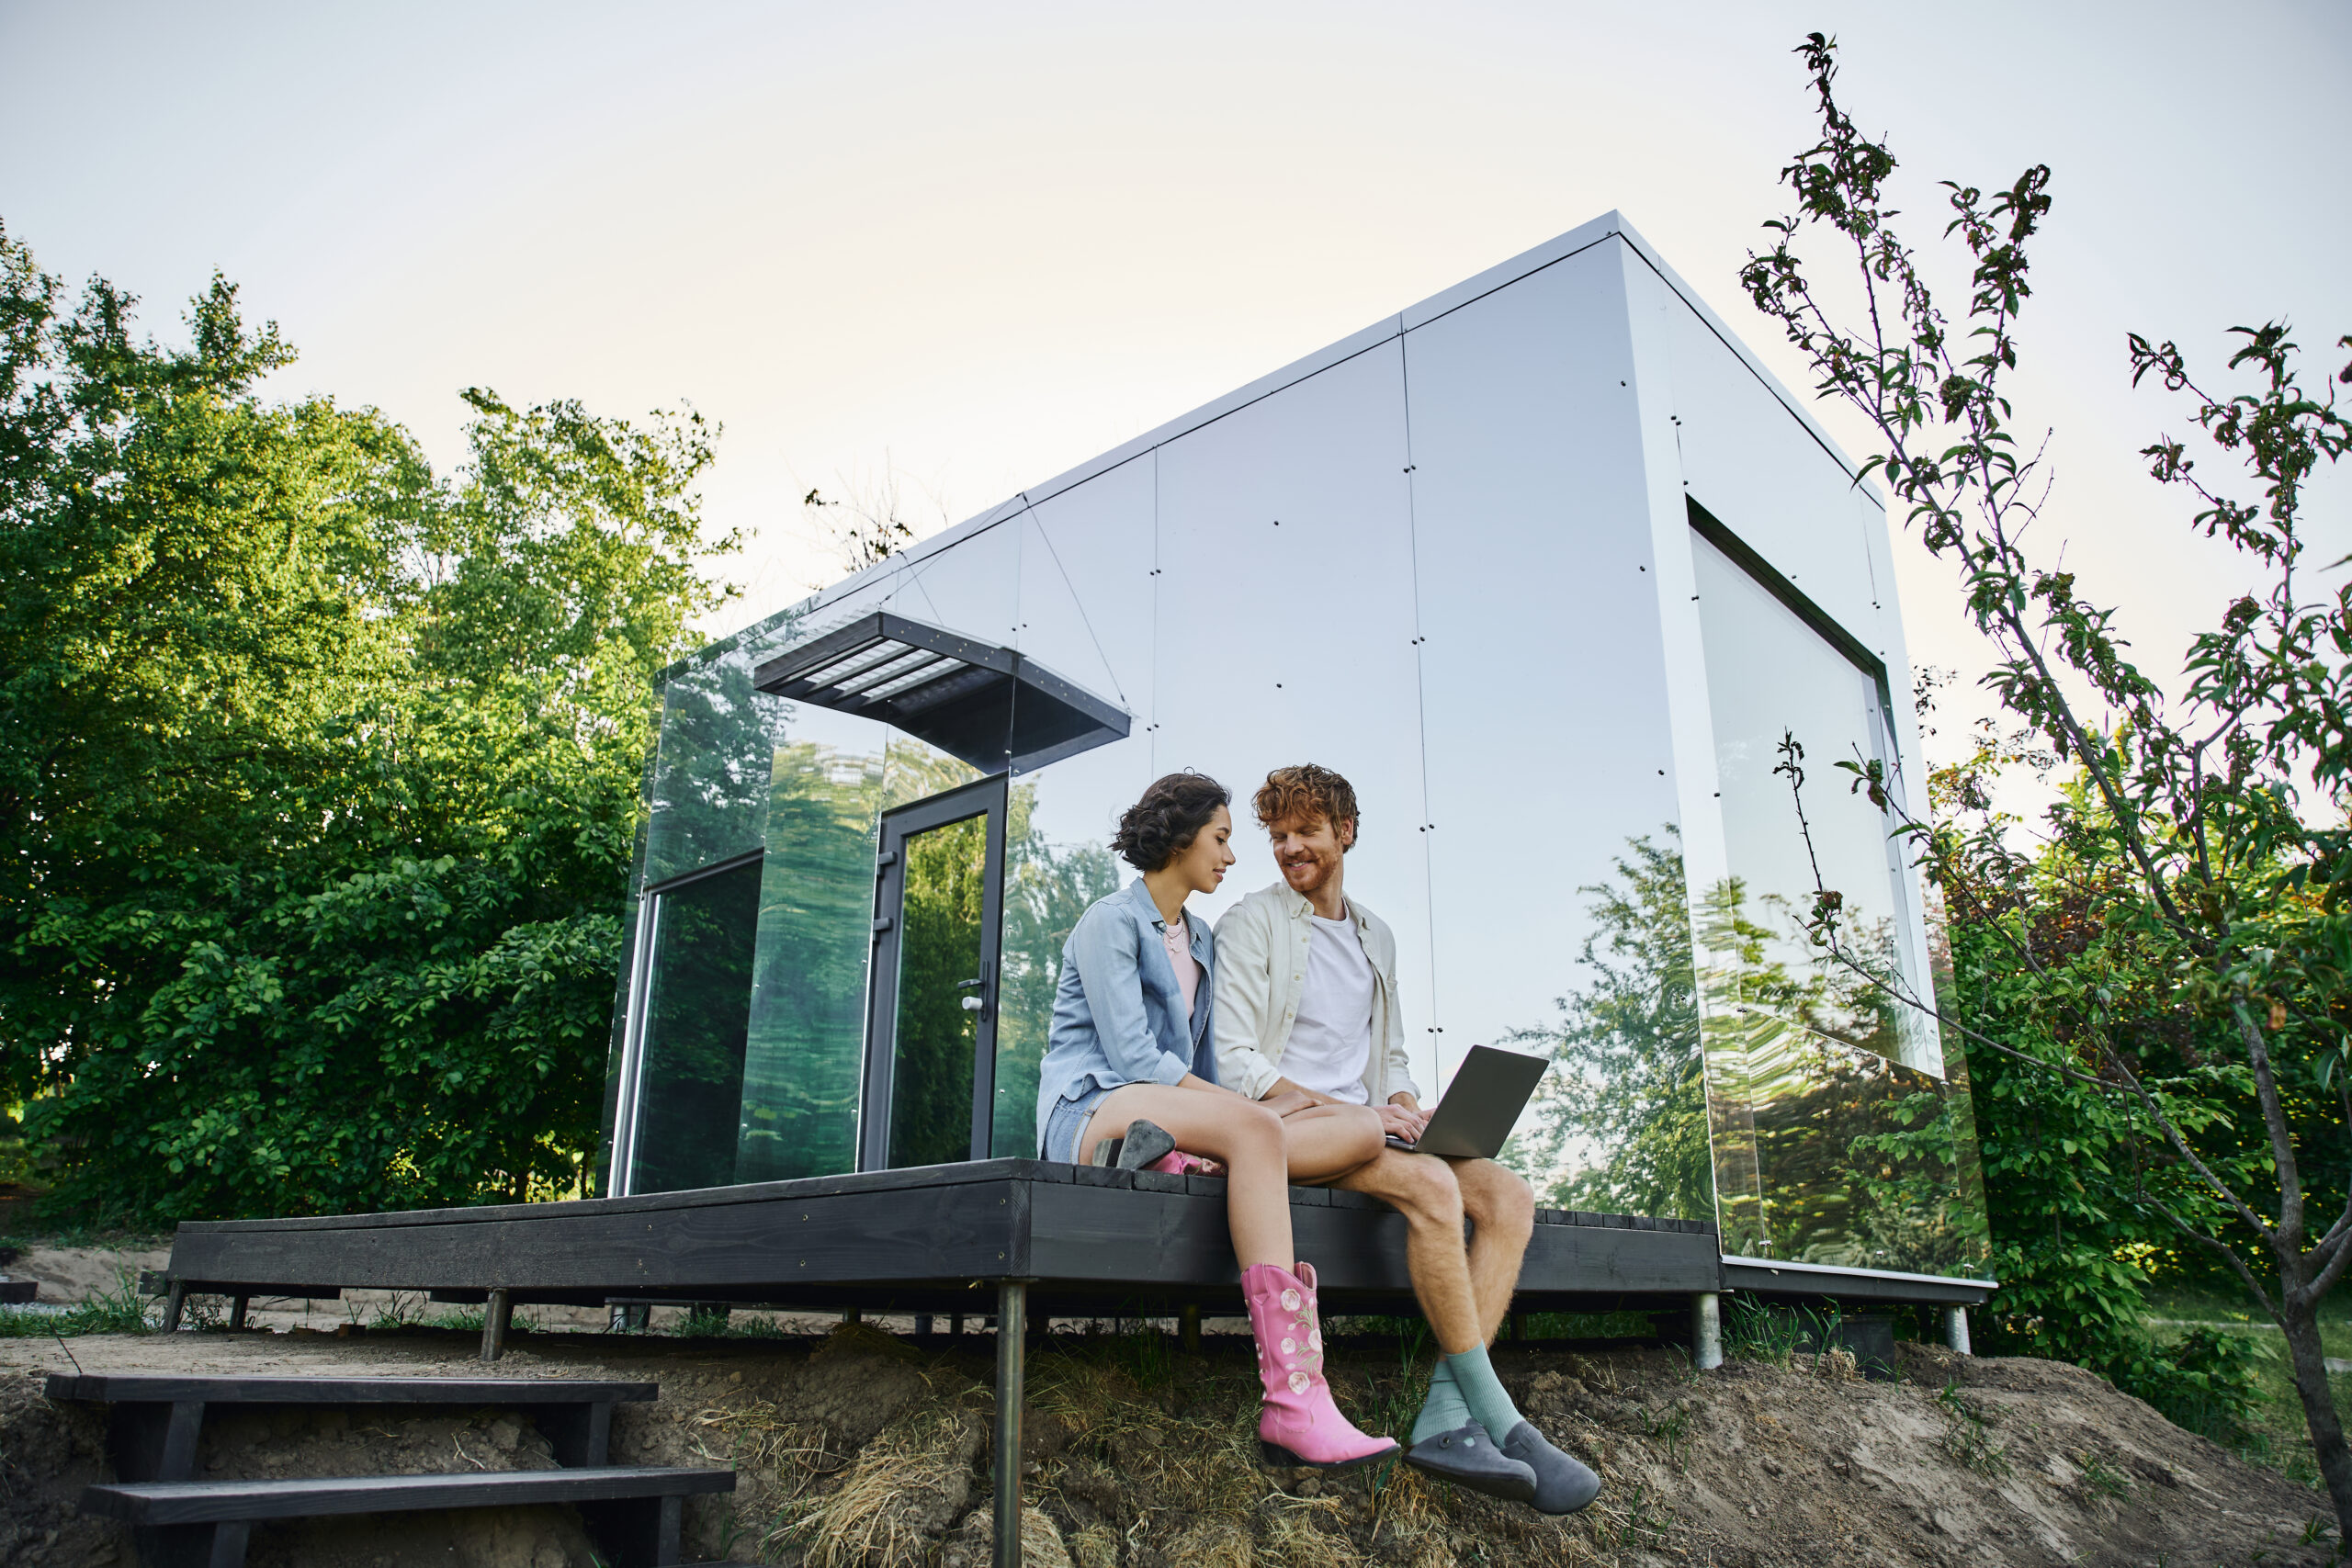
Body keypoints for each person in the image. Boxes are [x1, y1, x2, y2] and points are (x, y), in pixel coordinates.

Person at [1213, 764, 1601, 1515]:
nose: (1290, 847)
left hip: (1370, 1128)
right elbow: (1236, 1063)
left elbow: (1388, 1059)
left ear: (1345, 831)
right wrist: (1359, 1113)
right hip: (1294, 1130)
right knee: (1431, 1184)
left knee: (1509, 1195)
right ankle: (1498, 1418)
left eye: (1307, 831)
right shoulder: (1250, 922)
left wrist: (1404, 1106)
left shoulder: (1375, 937)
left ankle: (1447, 1413)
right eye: (1279, 835)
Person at [1034, 770, 1396, 1471]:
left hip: (1168, 1109)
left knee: (1357, 1128)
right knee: (1258, 1127)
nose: (1232, 856)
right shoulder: (1109, 921)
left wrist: (1276, 1106)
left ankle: (1191, 1159)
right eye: (1221, 838)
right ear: (1180, 836)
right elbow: (1134, 1056)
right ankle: (1295, 1398)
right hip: (1094, 1105)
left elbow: (1204, 1065)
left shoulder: (1199, 938)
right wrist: (1248, 1114)